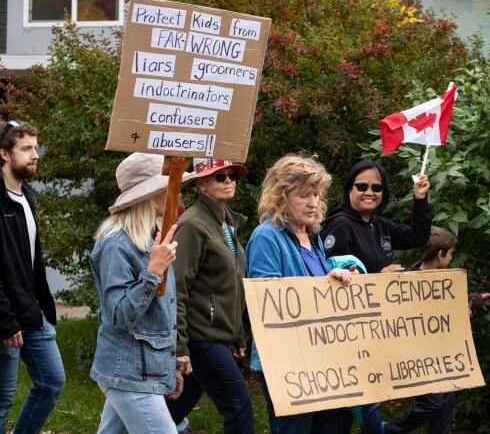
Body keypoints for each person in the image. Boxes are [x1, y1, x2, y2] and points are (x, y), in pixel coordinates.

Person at [246, 153, 356, 434]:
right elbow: (267, 300)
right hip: (286, 362)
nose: (313, 203)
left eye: (317, 194)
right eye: (304, 195)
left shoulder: (313, 234)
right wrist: (322, 285)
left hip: (322, 358)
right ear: (281, 196)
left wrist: (341, 279)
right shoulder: (266, 236)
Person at [320, 160, 432, 432]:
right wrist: (379, 278)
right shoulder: (339, 225)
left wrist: (420, 198)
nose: (370, 192)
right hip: (346, 334)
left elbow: (419, 236)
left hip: (373, 331)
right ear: (349, 189)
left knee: (356, 404)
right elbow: (336, 281)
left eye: (377, 187)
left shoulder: (380, 225)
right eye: (362, 186)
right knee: (354, 405)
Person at [89, 152, 192, 433]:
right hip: (127, 372)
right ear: (151, 194)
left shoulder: (151, 240)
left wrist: (168, 363)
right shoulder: (116, 244)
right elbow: (121, 315)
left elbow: (159, 316)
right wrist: (154, 271)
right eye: (170, 185)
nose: (177, 191)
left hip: (138, 369)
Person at [166, 158, 252, 434]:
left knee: (173, 410)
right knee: (239, 406)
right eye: (219, 176)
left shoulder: (227, 223)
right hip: (201, 337)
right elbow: (176, 287)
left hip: (218, 335)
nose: (228, 180)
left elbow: (233, 287)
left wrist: (237, 335)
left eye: (231, 176)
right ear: (201, 184)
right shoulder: (192, 224)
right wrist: (180, 348)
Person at [384, 226, 490, 434]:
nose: (452, 259)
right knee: (433, 403)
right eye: (451, 254)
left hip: (442, 355)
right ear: (441, 254)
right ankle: (389, 430)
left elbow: (450, 303)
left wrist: (476, 300)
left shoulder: (444, 281)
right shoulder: (406, 282)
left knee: (445, 404)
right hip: (417, 358)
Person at [0, 118, 66, 433]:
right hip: (5, 318)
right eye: (26, 148)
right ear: (4, 154)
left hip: (32, 312)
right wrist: (6, 319)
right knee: (2, 400)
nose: (35, 154)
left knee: (52, 381)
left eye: (35, 148)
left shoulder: (28, 197)